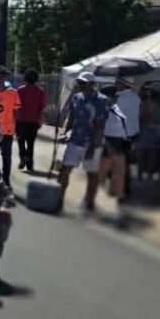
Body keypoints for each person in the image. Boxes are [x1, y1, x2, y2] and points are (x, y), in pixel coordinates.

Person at [59, 72, 107, 213]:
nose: (80, 85)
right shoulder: (77, 98)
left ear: (92, 84)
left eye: (83, 83)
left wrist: (92, 146)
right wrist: (64, 131)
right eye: (79, 82)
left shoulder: (101, 100)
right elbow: (71, 117)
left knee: (91, 174)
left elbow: (100, 125)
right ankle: (59, 198)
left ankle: (89, 201)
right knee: (64, 171)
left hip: (92, 143)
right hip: (75, 141)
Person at [97, 86, 133, 210]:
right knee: (101, 175)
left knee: (119, 174)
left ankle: (120, 198)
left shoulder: (118, 110)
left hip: (119, 145)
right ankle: (94, 198)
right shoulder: (103, 111)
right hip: (108, 144)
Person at [0, 66, 20, 186]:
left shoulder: (13, 92)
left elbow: (16, 111)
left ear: (6, 77)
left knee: (7, 156)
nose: (1, 78)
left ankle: (6, 179)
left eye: (3, 75)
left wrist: (18, 127)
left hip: (8, 129)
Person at [15, 69, 47, 172]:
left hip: (21, 120)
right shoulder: (40, 91)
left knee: (20, 141)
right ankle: (29, 165)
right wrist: (40, 120)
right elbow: (42, 108)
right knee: (31, 143)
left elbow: (16, 106)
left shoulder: (20, 90)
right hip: (34, 121)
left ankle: (23, 157)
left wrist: (15, 120)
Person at [137, 82, 160, 179]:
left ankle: (142, 173)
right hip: (158, 127)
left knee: (141, 152)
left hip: (147, 128)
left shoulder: (149, 103)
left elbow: (145, 115)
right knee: (153, 152)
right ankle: (149, 173)